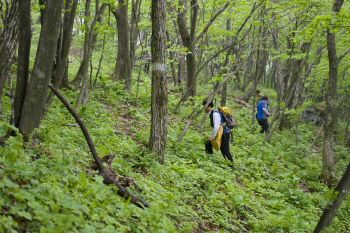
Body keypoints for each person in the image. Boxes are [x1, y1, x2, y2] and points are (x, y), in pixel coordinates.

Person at [203, 99, 235, 169]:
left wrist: (211, 137)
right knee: (208, 144)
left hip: (224, 134)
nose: (203, 108)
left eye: (204, 106)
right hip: (220, 133)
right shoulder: (213, 112)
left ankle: (232, 166)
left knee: (225, 151)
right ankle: (209, 159)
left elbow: (217, 127)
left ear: (209, 106)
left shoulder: (215, 113)